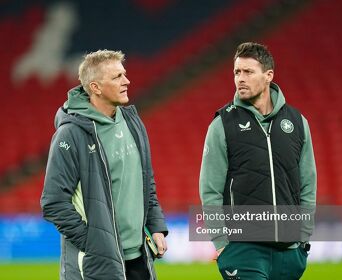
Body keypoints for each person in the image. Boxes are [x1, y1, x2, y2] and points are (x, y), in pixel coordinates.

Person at [41, 50, 168, 280]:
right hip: (95, 265)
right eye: (117, 77)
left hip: (140, 258)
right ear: (95, 87)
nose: (126, 81)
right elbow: (53, 202)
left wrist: (156, 226)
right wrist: (93, 243)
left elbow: (145, 180)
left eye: (125, 74)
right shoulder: (70, 134)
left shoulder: (132, 121)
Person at [199, 42, 316, 279]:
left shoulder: (297, 122)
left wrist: (303, 238)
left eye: (248, 72)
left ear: (268, 76)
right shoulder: (222, 124)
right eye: (236, 72)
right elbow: (209, 189)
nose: (240, 78)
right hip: (243, 250)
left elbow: (307, 185)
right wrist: (222, 243)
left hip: (290, 251)